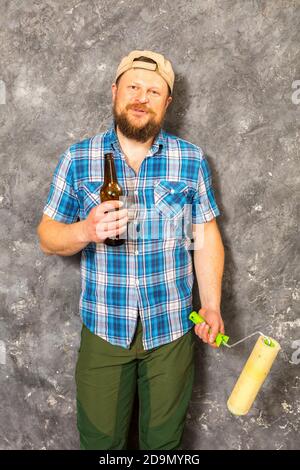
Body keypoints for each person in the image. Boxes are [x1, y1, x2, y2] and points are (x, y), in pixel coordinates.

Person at [37, 50, 225, 450]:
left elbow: (205, 236)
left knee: (164, 446)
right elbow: (47, 236)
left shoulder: (190, 160)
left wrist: (211, 306)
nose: (142, 97)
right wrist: (86, 231)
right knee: (100, 445)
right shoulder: (79, 158)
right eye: (133, 87)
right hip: (105, 328)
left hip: (171, 330)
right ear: (115, 91)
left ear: (167, 102)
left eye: (154, 91)